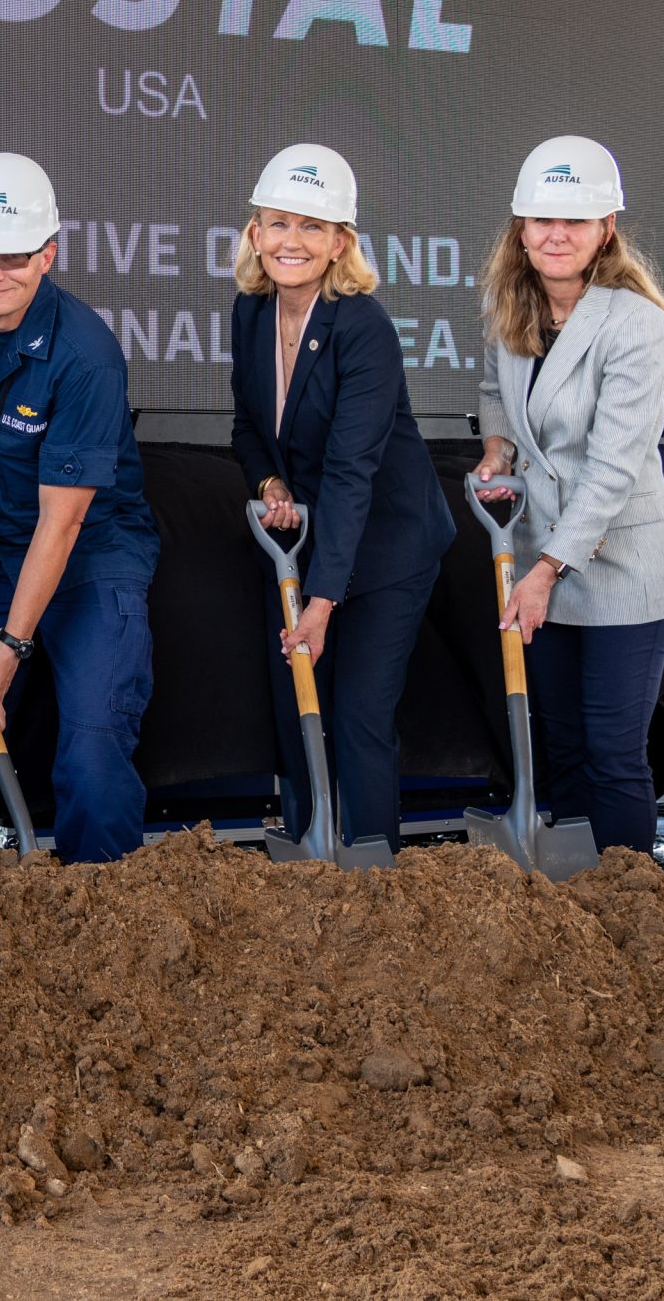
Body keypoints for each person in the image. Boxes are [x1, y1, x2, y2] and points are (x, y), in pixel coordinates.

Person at [0, 152, 159, 862]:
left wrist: (12, 646)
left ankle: (100, 909)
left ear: (47, 253)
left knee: (93, 746)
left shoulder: (86, 355)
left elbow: (63, 520)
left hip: (87, 553)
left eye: (11, 256)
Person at [228, 145, 455, 851]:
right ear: (255, 233)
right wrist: (272, 486)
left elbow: (355, 471)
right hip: (309, 537)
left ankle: (371, 878)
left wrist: (322, 602)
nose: (290, 240)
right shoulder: (250, 311)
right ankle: (310, 866)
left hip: (388, 543)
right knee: (298, 706)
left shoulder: (364, 329)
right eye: (277, 223)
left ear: (339, 244)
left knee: (356, 715)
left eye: (311, 226)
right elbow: (249, 427)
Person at [475, 135, 664, 854]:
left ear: (606, 230)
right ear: (522, 229)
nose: (556, 234)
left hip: (621, 564)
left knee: (611, 754)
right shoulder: (513, 306)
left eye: (575, 220)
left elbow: (612, 467)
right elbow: (496, 392)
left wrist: (542, 574)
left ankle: (633, 920)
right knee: (559, 747)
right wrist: (496, 448)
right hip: (545, 558)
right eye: (542, 220)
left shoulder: (635, 323)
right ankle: (569, 926)